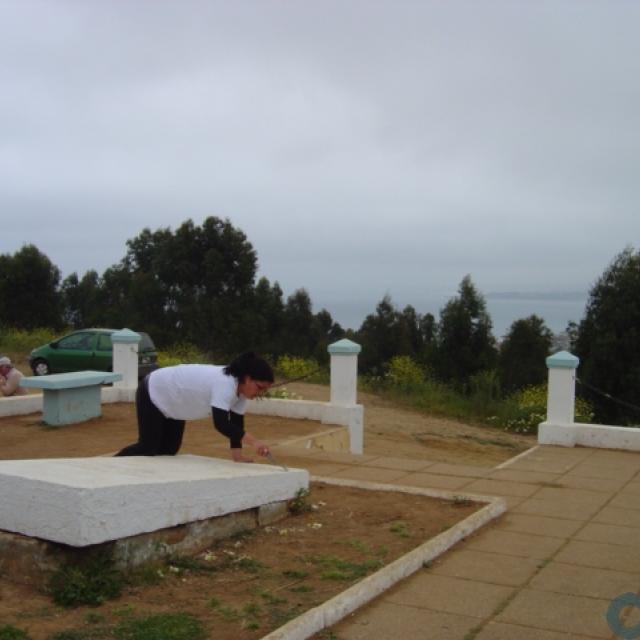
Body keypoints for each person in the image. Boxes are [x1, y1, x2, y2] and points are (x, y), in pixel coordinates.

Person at [116, 352, 274, 462]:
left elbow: (236, 423)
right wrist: (255, 442)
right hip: (154, 390)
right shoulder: (225, 383)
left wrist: (237, 456)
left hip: (176, 405)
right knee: (148, 447)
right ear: (247, 378)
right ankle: (109, 465)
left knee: (169, 451)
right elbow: (221, 424)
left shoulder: (240, 392)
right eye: (260, 387)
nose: (260, 393)